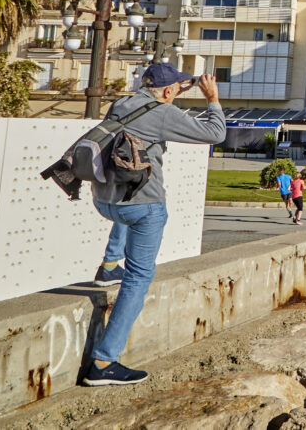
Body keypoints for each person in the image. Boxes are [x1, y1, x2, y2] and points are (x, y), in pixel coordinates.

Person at [83, 63, 224, 387]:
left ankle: (109, 265)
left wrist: (174, 90)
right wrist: (212, 99)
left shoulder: (122, 103)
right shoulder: (163, 113)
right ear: (168, 90)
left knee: (128, 214)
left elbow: (151, 109)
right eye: (175, 88)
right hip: (143, 206)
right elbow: (216, 134)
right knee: (138, 278)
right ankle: (103, 362)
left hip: (105, 202)